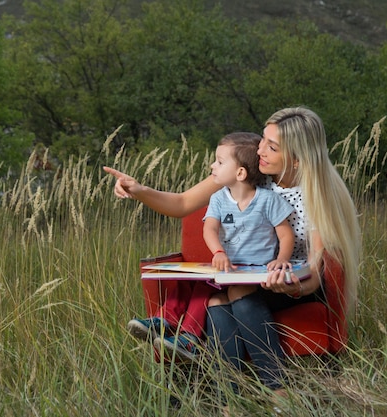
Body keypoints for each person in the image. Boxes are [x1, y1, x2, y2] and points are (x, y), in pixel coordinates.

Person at [104, 107, 360, 397]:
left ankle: (272, 389)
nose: (260, 149)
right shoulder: (252, 173)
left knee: (237, 295)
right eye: (263, 139)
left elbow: (315, 276)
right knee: (215, 299)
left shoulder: (317, 198)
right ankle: (231, 396)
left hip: (294, 284)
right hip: (250, 276)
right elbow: (182, 203)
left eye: (271, 147)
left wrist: (290, 287)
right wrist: (139, 190)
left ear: (297, 159)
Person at [127, 132, 296, 362]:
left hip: (254, 272)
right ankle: (164, 321)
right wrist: (218, 252)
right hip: (227, 267)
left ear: (240, 173)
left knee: (206, 289)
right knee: (195, 282)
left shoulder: (268, 200)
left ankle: (188, 337)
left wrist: (282, 259)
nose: (212, 165)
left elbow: (286, 235)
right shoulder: (218, 198)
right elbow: (210, 229)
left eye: (219, 161)